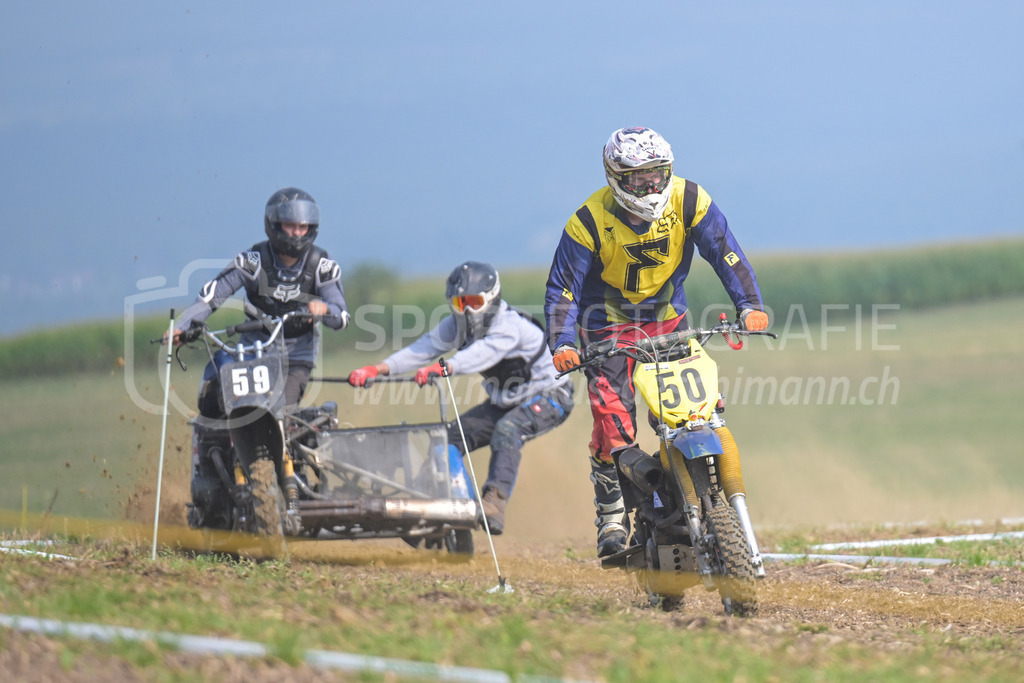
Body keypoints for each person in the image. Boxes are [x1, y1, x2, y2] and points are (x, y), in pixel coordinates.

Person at [543, 127, 769, 558]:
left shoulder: (689, 199)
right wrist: (562, 343)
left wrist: (750, 304)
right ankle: (611, 515)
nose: (650, 186)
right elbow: (563, 290)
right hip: (607, 328)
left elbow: (724, 250)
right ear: (615, 177)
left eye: (657, 175)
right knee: (615, 423)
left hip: (670, 322)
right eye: (638, 178)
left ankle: (700, 492)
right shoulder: (588, 220)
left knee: (696, 409)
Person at [348, 261, 574, 535]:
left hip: (551, 397)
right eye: (459, 302)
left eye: (474, 302)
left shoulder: (510, 326)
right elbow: (423, 348)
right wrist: (378, 369)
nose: (466, 309)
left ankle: (494, 503)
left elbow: (482, 354)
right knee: (446, 439)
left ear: (492, 297)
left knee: (509, 429)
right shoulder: (456, 326)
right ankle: (460, 505)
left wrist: (445, 367)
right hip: (507, 402)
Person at [171, 187, 349, 529]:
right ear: (273, 226)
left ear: (311, 229)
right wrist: (183, 326)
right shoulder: (251, 262)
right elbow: (212, 295)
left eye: (302, 227)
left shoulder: (322, 267)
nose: (296, 234)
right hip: (254, 351)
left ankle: (291, 481)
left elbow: (342, 315)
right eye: (289, 226)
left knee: (287, 413)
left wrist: (323, 308)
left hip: (295, 356)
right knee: (214, 395)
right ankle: (212, 468)